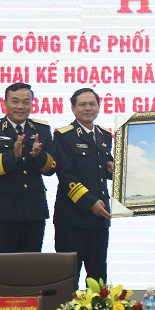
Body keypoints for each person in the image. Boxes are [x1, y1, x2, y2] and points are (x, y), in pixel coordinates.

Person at [0, 83, 56, 254]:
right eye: (15, 101)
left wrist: (39, 156)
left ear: (32, 104)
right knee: (1, 265)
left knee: (31, 265)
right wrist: (13, 156)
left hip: (34, 211)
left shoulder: (41, 129)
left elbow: (51, 169)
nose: (20, 106)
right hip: (1, 212)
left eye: (26, 102)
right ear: (5, 103)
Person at [53, 88, 113, 283]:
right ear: (73, 108)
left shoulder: (105, 135)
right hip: (72, 218)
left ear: (98, 107)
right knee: (68, 278)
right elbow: (65, 175)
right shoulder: (64, 136)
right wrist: (90, 203)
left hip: (100, 217)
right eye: (82, 104)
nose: (88, 108)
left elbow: (103, 167)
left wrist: (112, 168)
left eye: (92, 104)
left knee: (98, 277)